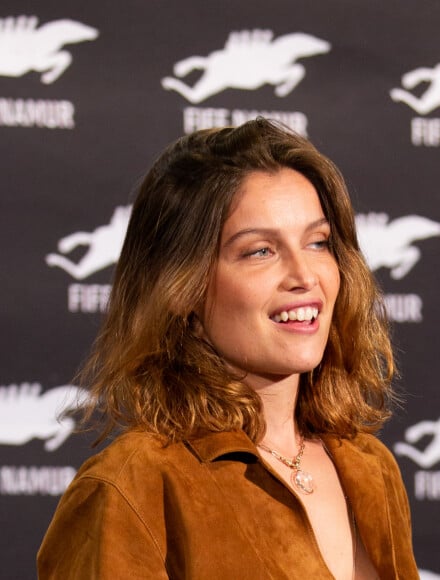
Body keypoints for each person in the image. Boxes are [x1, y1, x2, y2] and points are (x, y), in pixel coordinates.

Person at [37, 118, 419, 579]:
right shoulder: (132, 486)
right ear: (182, 288)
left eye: (318, 242)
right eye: (260, 251)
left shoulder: (371, 467)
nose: (305, 276)